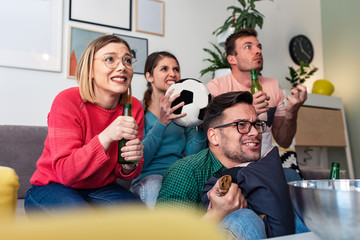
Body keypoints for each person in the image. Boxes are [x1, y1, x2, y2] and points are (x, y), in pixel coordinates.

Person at [156, 91, 308, 239]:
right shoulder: (186, 172)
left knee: (289, 179)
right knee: (244, 218)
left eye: (256, 124)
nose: (255, 132)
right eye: (241, 125)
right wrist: (217, 213)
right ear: (214, 136)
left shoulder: (267, 172)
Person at [24, 35, 145, 214]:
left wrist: (129, 164)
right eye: (110, 59)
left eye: (127, 60)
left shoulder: (133, 107)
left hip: (101, 188)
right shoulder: (67, 101)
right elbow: (66, 173)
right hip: (52, 186)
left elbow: (125, 172)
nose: (122, 67)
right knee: (80, 218)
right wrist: (107, 136)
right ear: (89, 70)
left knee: (140, 215)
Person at [206, 28, 307, 156]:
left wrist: (291, 114)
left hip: (263, 166)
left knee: (291, 175)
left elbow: (284, 142)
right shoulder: (217, 88)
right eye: (248, 47)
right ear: (232, 59)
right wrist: (248, 111)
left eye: (259, 47)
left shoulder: (273, 86)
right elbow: (207, 136)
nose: (258, 51)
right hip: (229, 167)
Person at [130, 51, 206, 208]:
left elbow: (193, 156)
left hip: (177, 178)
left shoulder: (186, 112)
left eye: (176, 69)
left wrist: (202, 128)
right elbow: (139, 162)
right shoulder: (138, 110)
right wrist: (162, 123)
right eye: (164, 69)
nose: (172, 73)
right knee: (155, 184)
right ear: (149, 76)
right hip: (147, 180)